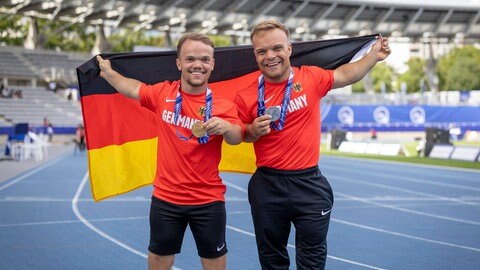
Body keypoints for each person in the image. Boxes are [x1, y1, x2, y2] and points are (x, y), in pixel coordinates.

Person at [235, 20, 391, 269]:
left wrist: (374, 56)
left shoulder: (310, 77)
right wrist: (252, 130)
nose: (270, 56)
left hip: (309, 185)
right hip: (267, 186)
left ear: (289, 49)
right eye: (262, 51)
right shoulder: (245, 94)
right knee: (271, 260)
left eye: (276, 48)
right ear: (255, 54)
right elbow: (240, 134)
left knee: (312, 260)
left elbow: (345, 74)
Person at [97, 33, 245, 270]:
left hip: (208, 200)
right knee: (159, 259)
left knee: (214, 262)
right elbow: (133, 89)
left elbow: (238, 137)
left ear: (213, 64)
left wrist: (227, 127)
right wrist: (108, 73)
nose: (198, 65)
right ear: (179, 63)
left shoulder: (222, 106)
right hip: (166, 199)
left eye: (205, 59)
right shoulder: (163, 94)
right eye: (190, 59)